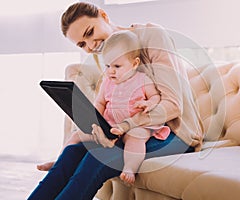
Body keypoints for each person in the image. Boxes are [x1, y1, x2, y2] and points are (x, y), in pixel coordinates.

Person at [28, 2, 203, 199]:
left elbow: (172, 106)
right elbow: (107, 103)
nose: (91, 45)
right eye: (82, 44)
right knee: (71, 155)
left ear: (103, 15)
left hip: (173, 133)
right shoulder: (105, 54)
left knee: (97, 157)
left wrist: (124, 126)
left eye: (90, 32)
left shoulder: (152, 36)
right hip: (125, 130)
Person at [37, 30, 171, 184]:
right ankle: (60, 161)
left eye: (117, 66)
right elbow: (100, 102)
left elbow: (156, 97)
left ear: (134, 64)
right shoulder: (108, 82)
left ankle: (130, 167)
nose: (111, 70)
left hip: (135, 124)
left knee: (136, 139)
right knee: (76, 135)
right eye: (107, 65)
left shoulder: (143, 80)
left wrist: (148, 103)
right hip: (110, 124)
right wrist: (94, 120)